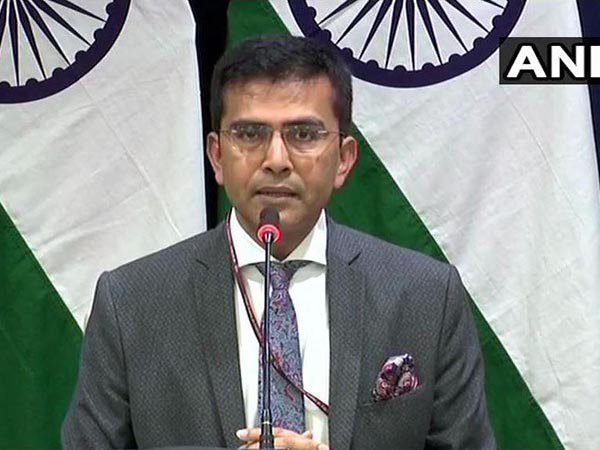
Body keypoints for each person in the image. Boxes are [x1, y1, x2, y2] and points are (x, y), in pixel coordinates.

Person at [62, 35, 496, 450]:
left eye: (303, 134)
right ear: (217, 156)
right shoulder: (133, 303)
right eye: (250, 134)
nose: (275, 160)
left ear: (344, 160)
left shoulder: (425, 296)